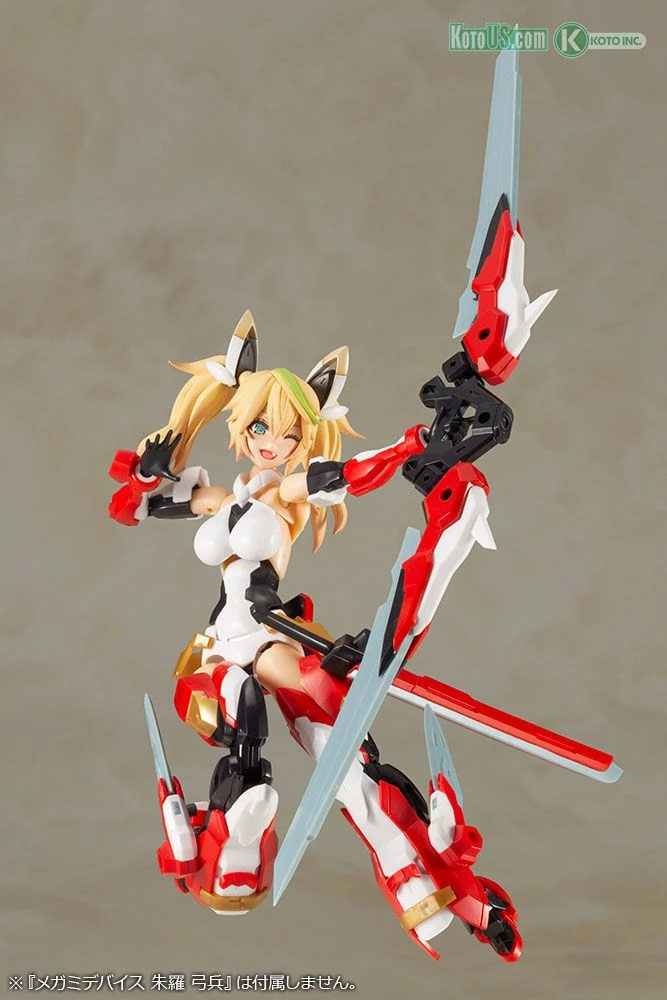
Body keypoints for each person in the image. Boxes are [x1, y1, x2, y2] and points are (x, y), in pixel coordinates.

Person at [108, 309, 521, 961]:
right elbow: (141, 509)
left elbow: (348, 476)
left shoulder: (287, 493)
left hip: (267, 635)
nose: (272, 441)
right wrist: (144, 475)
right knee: (242, 739)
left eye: (289, 430)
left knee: (340, 753)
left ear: (306, 433)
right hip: (219, 644)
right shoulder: (226, 496)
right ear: (240, 425)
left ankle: (429, 881)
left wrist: (410, 446)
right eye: (260, 426)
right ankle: (230, 847)